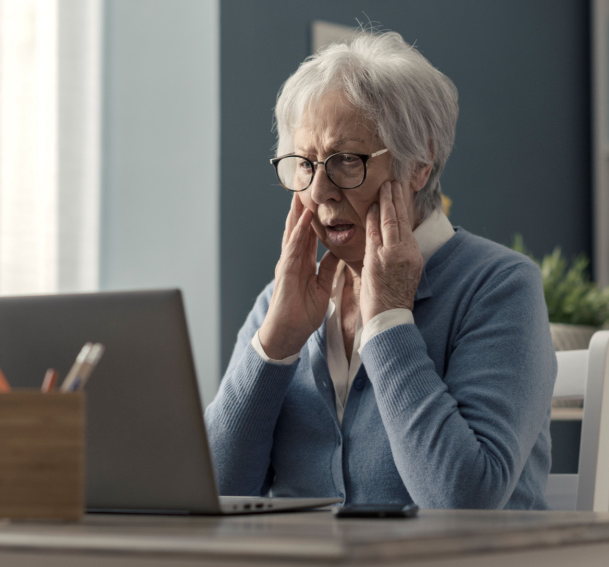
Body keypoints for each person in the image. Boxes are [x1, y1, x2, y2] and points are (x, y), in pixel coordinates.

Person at [204, 29, 556, 509]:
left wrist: (389, 319)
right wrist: (274, 346)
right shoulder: (279, 301)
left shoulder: (499, 287)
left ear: (419, 163)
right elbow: (210, 494)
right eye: (304, 164)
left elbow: (463, 502)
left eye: (345, 160)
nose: (320, 190)